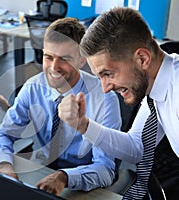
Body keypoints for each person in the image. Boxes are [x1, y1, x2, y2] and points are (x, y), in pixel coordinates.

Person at [0, 17, 122, 195]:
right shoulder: (33, 87)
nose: (53, 67)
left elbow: (105, 169)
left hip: (86, 184)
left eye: (64, 59)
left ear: (82, 60)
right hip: (44, 173)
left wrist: (64, 177)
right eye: (48, 57)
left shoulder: (105, 100)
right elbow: (4, 133)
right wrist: (4, 167)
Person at [59, 7, 179, 199]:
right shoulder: (156, 86)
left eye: (108, 74)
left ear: (142, 59)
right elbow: (136, 147)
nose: (105, 88)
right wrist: (84, 126)